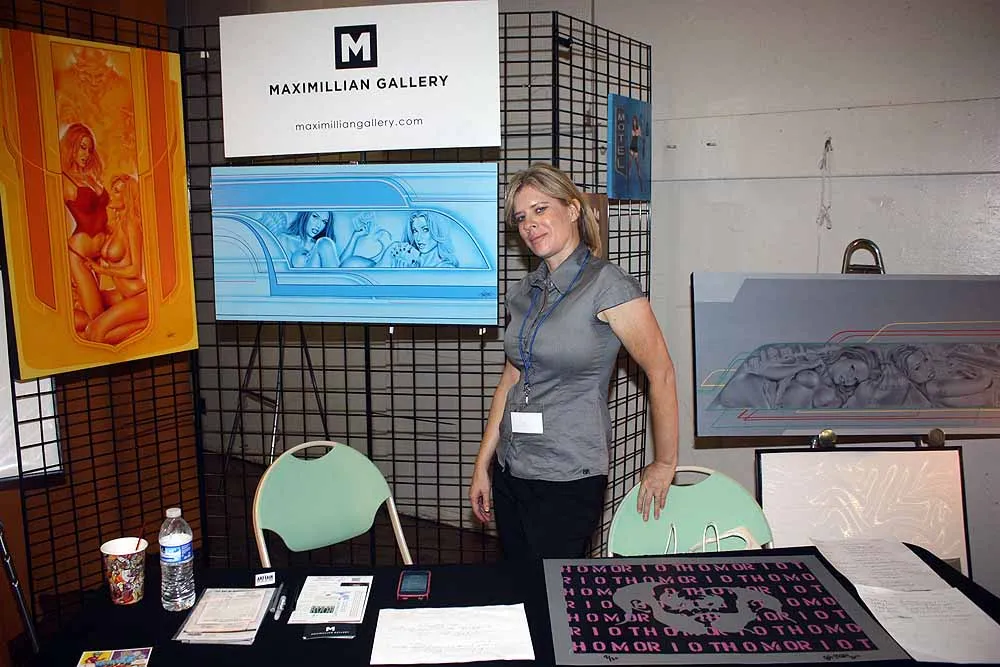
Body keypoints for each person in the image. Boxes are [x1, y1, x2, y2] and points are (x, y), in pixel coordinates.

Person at [467, 162, 680, 560]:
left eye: (540, 209)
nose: (530, 224)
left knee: (555, 588)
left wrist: (665, 462)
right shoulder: (524, 292)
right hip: (512, 469)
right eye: (521, 217)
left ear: (573, 209)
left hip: (568, 475)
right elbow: (510, 380)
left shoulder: (608, 285)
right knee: (520, 584)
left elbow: (661, 373)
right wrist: (483, 463)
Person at [81, 174, 149, 345]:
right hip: (123, 295)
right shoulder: (117, 224)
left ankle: (145, 325)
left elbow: (135, 269)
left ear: (127, 197)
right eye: (112, 190)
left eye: (117, 191)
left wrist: (102, 270)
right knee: (82, 308)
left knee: (93, 332)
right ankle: (142, 325)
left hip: (139, 296)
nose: (111, 194)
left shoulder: (132, 225)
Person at [62, 123, 110, 324]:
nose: (86, 154)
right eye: (82, 147)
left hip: (99, 257)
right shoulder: (64, 180)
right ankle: (60, 324)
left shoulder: (90, 176)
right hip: (80, 255)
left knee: (101, 311)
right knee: (97, 317)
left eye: (89, 150)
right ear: (72, 147)